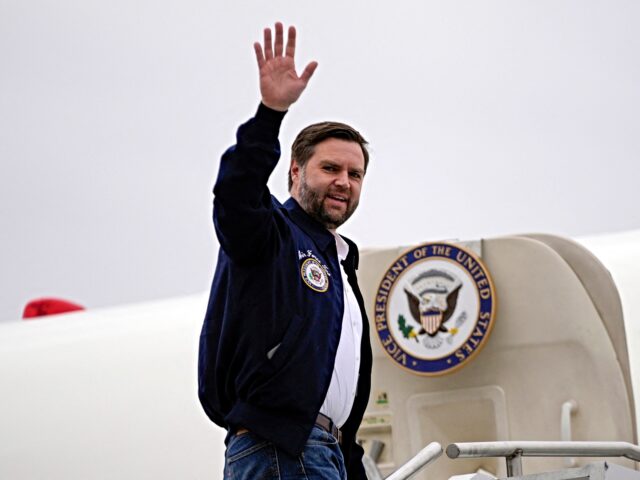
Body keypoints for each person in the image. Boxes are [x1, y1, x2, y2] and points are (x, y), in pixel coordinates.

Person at [198, 22, 372, 479]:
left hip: (323, 452)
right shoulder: (270, 232)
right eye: (330, 168)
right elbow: (235, 195)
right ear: (295, 171)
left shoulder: (341, 264)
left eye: (355, 175)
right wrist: (270, 113)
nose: (344, 182)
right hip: (279, 447)